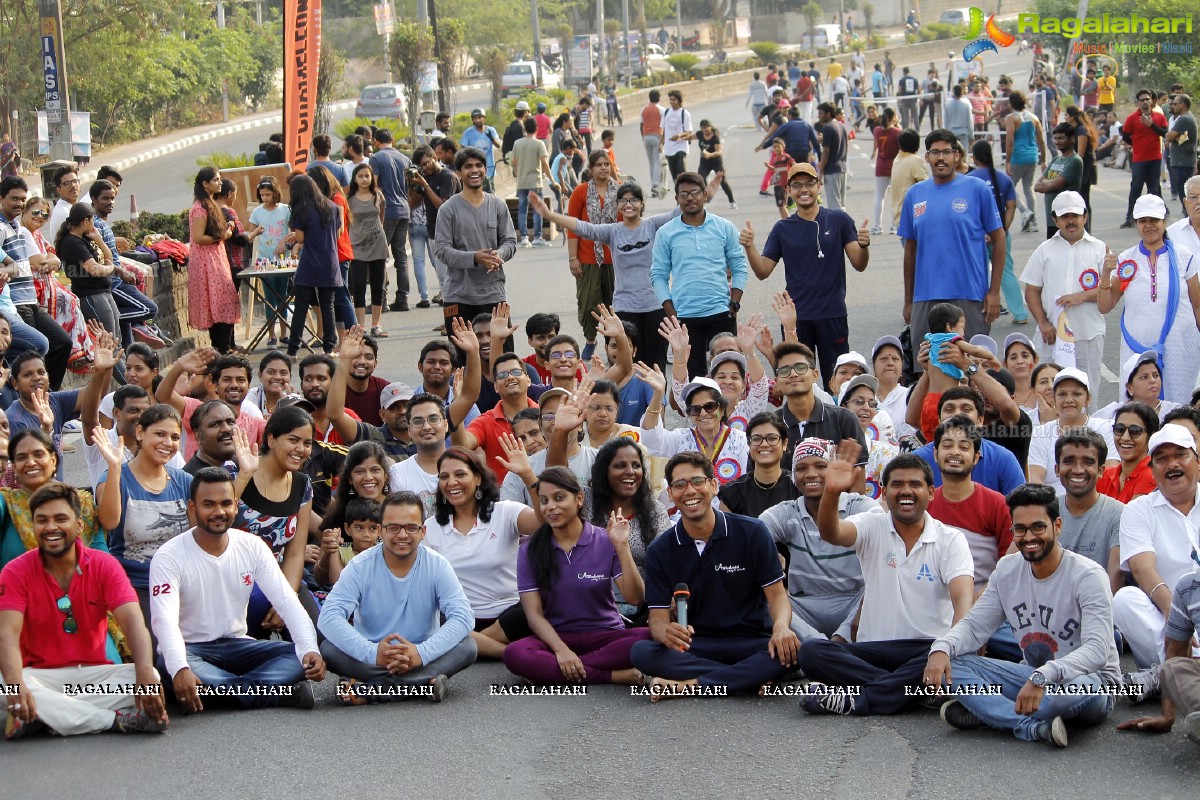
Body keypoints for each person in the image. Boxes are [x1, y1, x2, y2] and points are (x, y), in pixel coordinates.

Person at [923, 482, 1120, 747]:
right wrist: (941, 649)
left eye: (1038, 527)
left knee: (1063, 696)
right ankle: (1030, 726)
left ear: (1057, 526)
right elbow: (973, 627)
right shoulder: (1007, 570)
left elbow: (1097, 652)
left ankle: (989, 713)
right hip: (1031, 677)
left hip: (1090, 683)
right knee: (953, 665)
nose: (1029, 537)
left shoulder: (1089, 576)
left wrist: (1044, 675)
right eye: (1020, 528)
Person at [797, 448, 974, 716]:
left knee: (955, 661)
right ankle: (911, 692)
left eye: (915, 484)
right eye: (897, 484)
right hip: (872, 648)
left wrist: (947, 649)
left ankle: (858, 699)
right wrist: (831, 492)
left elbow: (963, 600)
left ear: (931, 492)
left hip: (925, 649)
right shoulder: (871, 525)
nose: (906, 491)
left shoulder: (951, 539)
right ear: (883, 490)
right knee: (811, 652)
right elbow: (832, 532)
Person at [149, 468, 325, 712]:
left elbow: (287, 601)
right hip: (192, 650)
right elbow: (164, 621)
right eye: (208, 504)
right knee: (169, 664)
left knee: (299, 657)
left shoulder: (251, 545)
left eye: (225, 504)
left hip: (240, 646)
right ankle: (275, 695)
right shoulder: (169, 556)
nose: (219, 512)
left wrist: (310, 649)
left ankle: (217, 694)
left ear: (235, 506)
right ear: (192, 507)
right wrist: (180, 668)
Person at [0, 482, 167, 738]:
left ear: (78, 525)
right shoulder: (15, 571)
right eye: (41, 520)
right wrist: (16, 684)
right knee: (4, 686)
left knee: (147, 675)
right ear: (33, 525)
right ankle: (113, 720)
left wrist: (144, 670)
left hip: (94, 677)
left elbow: (133, 622)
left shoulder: (103, 565)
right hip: (37, 677)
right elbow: (7, 635)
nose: (51, 528)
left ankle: (44, 714)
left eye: (60, 519)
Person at [628, 452, 797, 697]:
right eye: (679, 485)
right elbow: (657, 618)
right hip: (697, 644)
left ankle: (690, 685)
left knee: (794, 650)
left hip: (750, 640)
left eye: (698, 482)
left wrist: (781, 627)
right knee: (641, 652)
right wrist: (665, 633)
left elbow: (777, 597)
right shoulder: (660, 550)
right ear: (672, 494)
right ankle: (746, 678)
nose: (689, 491)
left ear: (714, 485)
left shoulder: (752, 532)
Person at [318, 491, 476, 703]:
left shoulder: (437, 565)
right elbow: (328, 617)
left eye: (411, 527)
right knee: (329, 648)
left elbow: (463, 617)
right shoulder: (359, 566)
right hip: (373, 656)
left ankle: (373, 690)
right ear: (381, 531)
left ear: (423, 531)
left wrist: (420, 653)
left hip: (422, 656)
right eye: (393, 527)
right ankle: (419, 685)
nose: (402, 535)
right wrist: (373, 653)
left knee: (468, 647)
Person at [502, 467, 650, 685]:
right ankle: (610, 675)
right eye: (544, 501)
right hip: (557, 637)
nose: (550, 507)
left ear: (579, 499)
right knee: (515, 653)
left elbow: (635, 598)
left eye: (559, 498)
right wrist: (561, 651)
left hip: (607, 635)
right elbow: (533, 615)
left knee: (646, 638)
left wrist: (622, 546)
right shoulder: (530, 549)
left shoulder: (605, 539)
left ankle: (555, 671)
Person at [740, 163, 870, 383]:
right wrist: (750, 246)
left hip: (832, 314)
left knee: (836, 381)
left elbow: (859, 263)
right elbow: (763, 271)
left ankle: (836, 417)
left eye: (809, 184)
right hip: (796, 320)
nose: (804, 190)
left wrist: (864, 245)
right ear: (789, 190)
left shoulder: (839, 220)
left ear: (819, 186)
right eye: (797, 185)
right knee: (798, 380)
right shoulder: (782, 228)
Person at [422, 447, 541, 660]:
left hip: (511, 615)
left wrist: (527, 475)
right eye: (444, 477)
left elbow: (543, 523)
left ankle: (470, 644)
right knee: (424, 616)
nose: (451, 482)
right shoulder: (430, 528)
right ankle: (509, 653)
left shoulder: (504, 511)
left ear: (477, 478)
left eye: (460, 474)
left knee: (543, 599)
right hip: (458, 617)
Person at [760, 437, 878, 641]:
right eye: (801, 468)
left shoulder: (859, 506)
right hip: (804, 607)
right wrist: (767, 556)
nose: (811, 474)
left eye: (821, 466)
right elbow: (750, 537)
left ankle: (833, 646)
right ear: (794, 477)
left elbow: (888, 536)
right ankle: (821, 647)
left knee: (879, 592)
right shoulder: (788, 512)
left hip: (853, 603)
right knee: (762, 600)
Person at [899, 129, 1006, 348]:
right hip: (925, 296)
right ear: (927, 157)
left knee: (972, 370)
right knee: (928, 370)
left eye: (946, 152)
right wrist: (908, 300)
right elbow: (910, 250)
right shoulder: (914, 194)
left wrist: (994, 292)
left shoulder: (977, 189)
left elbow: (999, 238)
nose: (941, 158)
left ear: (957, 156)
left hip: (969, 294)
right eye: (935, 152)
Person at [1114, 424, 1200, 680]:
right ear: (1152, 470)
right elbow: (1142, 569)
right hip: (1166, 616)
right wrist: (1178, 621)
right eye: (1161, 459)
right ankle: (1183, 671)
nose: (1171, 464)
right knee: (1125, 599)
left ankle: (1173, 677)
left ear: (1197, 461)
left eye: (1180, 455)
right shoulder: (1138, 510)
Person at [651, 171, 749, 380]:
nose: (689, 198)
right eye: (683, 194)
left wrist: (734, 303)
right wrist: (671, 311)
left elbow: (739, 266)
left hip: (721, 313)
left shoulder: (724, 227)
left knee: (727, 373)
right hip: (685, 317)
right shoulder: (666, 233)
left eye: (694, 192)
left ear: (705, 194)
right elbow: (658, 275)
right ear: (677, 199)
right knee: (695, 377)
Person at [1106, 194, 1200, 404]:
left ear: (1164, 221)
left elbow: (1197, 305)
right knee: (1140, 410)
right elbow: (1106, 305)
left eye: (1154, 220)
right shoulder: (1126, 260)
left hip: (1180, 348)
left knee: (1180, 407)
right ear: (1136, 224)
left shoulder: (1184, 257)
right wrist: (1105, 273)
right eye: (1142, 221)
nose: (1148, 226)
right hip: (1137, 346)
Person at [1020, 191, 1110, 398]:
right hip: (1051, 337)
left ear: (1085, 217)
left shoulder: (1099, 249)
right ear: (1055, 219)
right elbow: (1032, 291)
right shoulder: (1044, 250)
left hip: (1088, 334)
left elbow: (1111, 290)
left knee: (1087, 394)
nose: (1071, 221)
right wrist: (1043, 323)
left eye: (1075, 216)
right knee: (1047, 394)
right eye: (1064, 217)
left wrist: (1082, 296)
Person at [433, 148, 518, 337]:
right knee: (462, 358)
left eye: (479, 165)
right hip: (458, 295)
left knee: (500, 356)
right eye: (468, 166)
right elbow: (442, 250)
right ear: (458, 173)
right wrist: (475, 258)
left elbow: (510, 242)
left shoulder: (498, 206)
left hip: (493, 292)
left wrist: (499, 254)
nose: (474, 170)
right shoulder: (448, 210)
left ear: (485, 170)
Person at [926, 416, 1013, 596]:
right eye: (947, 445)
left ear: (976, 457)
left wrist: (977, 602)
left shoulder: (997, 504)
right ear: (935, 454)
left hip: (987, 604)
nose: (955, 452)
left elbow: (1010, 563)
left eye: (964, 447)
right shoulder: (925, 503)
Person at [0, 429, 109, 569]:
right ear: (14, 467)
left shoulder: (81, 502)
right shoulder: (6, 503)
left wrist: (114, 466)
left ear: (53, 460)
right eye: (21, 457)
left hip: (78, 589)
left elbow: (101, 558)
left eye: (38, 454)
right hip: (16, 588)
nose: (31, 462)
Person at [0, 177, 71, 389]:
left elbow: (44, 262)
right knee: (35, 348)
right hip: (15, 303)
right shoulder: (2, 228)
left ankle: (49, 395)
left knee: (62, 342)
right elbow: (38, 264)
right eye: (14, 199)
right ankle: (22, 394)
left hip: (29, 299)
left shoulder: (21, 230)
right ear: (1, 199)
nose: (19, 204)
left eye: (22, 199)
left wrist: (52, 261)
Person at [636, 369, 748, 489]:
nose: (703, 413)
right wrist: (658, 394)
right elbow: (652, 440)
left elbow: (745, 484)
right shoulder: (681, 438)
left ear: (721, 409)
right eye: (695, 409)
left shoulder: (740, 440)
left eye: (709, 406)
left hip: (729, 507)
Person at [772, 342, 867, 470]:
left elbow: (859, 477)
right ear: (777, 381)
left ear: (815, 375)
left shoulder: (844, 419)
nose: (793, 374)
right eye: (784, 370)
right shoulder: (770, 426)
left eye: (800, 368)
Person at [1052, 428, 1125, 593]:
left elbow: (1115, 577)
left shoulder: (1119, 514)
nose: (1078, 469)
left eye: (1088, 462)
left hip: (1098, 606)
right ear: (1057, 469)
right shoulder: (1044, 511)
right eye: (1069, 461)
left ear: (1101, 471)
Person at [969, 140, 1028, 324]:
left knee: (978, 274)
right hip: (1001, 235)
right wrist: (1001, 230)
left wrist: (982, 232)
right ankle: (1020, 314)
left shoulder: (970, 179)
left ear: (975, 157)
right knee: (1006, 272)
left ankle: (980, 314)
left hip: (976, 236)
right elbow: (1011, 207)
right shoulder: (1004, 178)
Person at [567, 150, 618, 360]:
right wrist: (573, 258)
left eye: (607, 164)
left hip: (615, 259)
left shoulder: (622, 191)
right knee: (588, 304)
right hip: (587, 259)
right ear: (591, 169)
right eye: (599, 165)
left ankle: (612, 343)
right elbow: (572, 227)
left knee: (614, 305)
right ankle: (590, 339)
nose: (603, 168)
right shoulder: (580, 192)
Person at [285, 173, 343, 356]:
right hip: (330, 261)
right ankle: (330, 347)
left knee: (301, 306)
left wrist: (296, 236)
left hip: (310, 261)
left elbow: (301, 238)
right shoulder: (332, 207)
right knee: (328, 306)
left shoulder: (301, 210)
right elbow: (339, 232)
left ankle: (293, 348)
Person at [5, 350, 85, 480]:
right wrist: (46, 430)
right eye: (27, 374)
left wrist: (101, 371)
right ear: (15, 383)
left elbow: (92, 396)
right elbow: (30, 469)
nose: (37, 377)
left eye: (41, 372)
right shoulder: (14, 420)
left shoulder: (53, 400)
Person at [187, 167, 241, 354]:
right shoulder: (200, 208)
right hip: (206, 261)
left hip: (215, 258)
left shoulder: (209, 203)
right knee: (217, 302)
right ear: (205, 184)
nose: (220, 182)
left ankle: (223, 347)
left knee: (223, 301)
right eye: (216, 180)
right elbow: (199, 237)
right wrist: (224, 235)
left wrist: (222, 232)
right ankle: (221, 348)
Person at [56, 201, 120, 344]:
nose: (94, 224)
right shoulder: (72, 243)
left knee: (116, 341)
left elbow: (108, 256)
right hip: (92, 296)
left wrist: (99, 239)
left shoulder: (85, 238)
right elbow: (95, 269)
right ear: (85, 221)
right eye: (92, 219)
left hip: (104, 291)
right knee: (107, 343)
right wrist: (110, 268)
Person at [717, 412, 798, 517]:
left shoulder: (797, 486)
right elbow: (727, 532)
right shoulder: (732, 492)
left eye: (772, 438)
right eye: (756, 439)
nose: (764, 444)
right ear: (749, 444)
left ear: (784, 443)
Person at [410, 144, 460, 308]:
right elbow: (414, 203)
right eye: (421, 166)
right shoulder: (425, 178)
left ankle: (454, 320)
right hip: (433, 231)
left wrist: (425, 186)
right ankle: (449, 319)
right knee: (442, 279)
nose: (425, 167)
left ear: (435, 157)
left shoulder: (447, 177)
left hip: (451, 233)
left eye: (426, 163)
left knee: (451, 279)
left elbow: (443, 206)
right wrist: (413, 185)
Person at [369, 128, 413, 311]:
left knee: (379, 256)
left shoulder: (376, 158)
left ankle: (381, 300)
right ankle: (402, 298)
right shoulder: (405, 159)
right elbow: (410, 184)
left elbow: (373, 184)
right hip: (404, 209)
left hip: (385, 210)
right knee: (400, 255)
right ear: (392, 140)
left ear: (376, 141)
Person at [346, 164, 389, 336]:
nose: (364, 179)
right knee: (358, 285)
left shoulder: (378, 195)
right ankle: (361, 326)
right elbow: (346, 222)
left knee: (378, 285)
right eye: (361, 176)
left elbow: (382, 216)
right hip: (357, 245)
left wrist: (378, 232)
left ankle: (376, 325)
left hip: (377, 243)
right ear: (355, 178)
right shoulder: (349, 199)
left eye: (367, 176)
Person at [248, 176, 291, 345]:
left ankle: (284, 333)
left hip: (282, 259)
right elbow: (251, 234)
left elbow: (293, 231)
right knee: (269, 298)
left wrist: (284, 242)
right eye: (262, 195)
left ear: (275, 193)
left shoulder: (286, 209)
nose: (265, 198)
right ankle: (271, 334)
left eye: (268, 194)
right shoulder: (257, 212)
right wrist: (256, 231)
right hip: (264, 259)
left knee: (283, 296)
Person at [1120, 89, 1169, 229]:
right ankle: (1130, 216)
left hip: (1155, 157)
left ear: (1152, 100)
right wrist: (1136, 143)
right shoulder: (1132, 118)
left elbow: (1165, 133)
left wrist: (1151, 125)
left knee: (1153, 188)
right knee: (1136, 187)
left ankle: (1157, 217)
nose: (1145, 102)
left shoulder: (1159, 117)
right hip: (1139, 158)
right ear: (1138, 103)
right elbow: (1125, 136)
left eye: (1148, 99)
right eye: (1142, 100)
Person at [1097, 400, 1159, 504]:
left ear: (1151, 436)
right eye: (1119, 429)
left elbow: (1130, 517)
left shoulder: (1152, 474)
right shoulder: (1105, 475)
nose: (1125, 437)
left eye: (1135, 431)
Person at [1095, 351, 1179, 421]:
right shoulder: (1111, 414)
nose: (1153, 380)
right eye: (1144, 377)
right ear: (1130, 388)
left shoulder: (1174, 412)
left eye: (1156, 375)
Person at [512, 118, 556, 248]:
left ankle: (524, 237)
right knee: (537, 210)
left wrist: (518, 175)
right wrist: (552, 180)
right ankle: (537, 237)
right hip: (535, 182)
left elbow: (514, 163)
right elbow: (544, 164)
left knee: (522, 209)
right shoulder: (539, 144)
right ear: (536, 128)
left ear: (524, 128)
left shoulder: (517, 144)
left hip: (521, 182)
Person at [1034, 123, 1084, 236]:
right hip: (1052, 218)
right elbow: (1037, 186)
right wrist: (1048, 183)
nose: (1057, 142)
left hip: (1066, 219)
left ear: (1072, 139)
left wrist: (1046, 182)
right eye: (1055, 138)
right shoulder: (1056, 159)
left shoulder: (1075, 161)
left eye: (1061, 138)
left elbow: (1054, 185)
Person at [889, 128, 929, 231]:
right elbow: (926, 186)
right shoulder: (915, 161)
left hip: (899, 215)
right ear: (917, 145)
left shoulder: (897, 159)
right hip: (913, 216)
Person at [870, 108, 901, 235]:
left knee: (879, 197)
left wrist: (873, 153)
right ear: (893, 117)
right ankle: (894, 225)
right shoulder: (898, 132)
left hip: (881, 166)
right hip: (894, 166)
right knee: (895, 197)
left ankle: (877, 225)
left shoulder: (877, 130)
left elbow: (876, 145)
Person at [1166, 95, 1196, 217]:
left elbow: (1169, 136)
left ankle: (1190, 219)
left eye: (1176, 103)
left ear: (1183, 105)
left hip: (1183, 162)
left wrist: (1173, 137)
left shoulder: (1184, 119)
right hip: (1182, 161)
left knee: (1185, 194)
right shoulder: (1185, 118)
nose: (1174, 106)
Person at [815, 103, 849, 211]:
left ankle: (839, 228)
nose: (819, 116)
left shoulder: (827, 128)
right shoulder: (841, 126)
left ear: (828, 114)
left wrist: (821, 171)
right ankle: (845, 227)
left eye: (821, 113)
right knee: (841, 204)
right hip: (842, 168)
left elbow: (826, 151)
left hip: (832, 169)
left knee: (834, 205)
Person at [460, 109, 502, 193]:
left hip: (489, 167)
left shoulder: (491, 130)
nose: (478, 120)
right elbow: (462, 149)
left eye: (479, 117)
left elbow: (498, 145)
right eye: (475, 118)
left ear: (484, 118)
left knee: (491, 192)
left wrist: (492, 138)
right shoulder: (468, 133)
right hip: (474, 168)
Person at [695, 120, 734, 209]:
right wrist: (680, 136)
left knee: (723, 182)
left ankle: (732, 201)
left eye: (705, 128)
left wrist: (709, 155)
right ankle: (703, 202)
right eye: (702, 128)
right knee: (700, 180)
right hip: (704, 163)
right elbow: (690, 136)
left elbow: (719, 152)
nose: (704, 130)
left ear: (710, 127)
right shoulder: (700, 134)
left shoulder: (715, 137)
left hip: (716, 163)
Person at [661, 90, 693, 181]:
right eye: (670, 100)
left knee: (682, 172)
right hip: (669, 148)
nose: (671, 102)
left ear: (679, 101)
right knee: (675, 176)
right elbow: (663, 130)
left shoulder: (684, 113)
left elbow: (688, 132)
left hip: (681, 147)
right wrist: (660, 144)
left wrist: (679, 135)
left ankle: (686, 190)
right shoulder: (666, 112)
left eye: (674, 100)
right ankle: (680, 193)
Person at [640, 90, 665, 198]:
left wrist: (643, 137)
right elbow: (664, 126)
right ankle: (655, 185)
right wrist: (663, 141)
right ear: (658, 98)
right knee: (657, 161)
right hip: (656, 135)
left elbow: (641, 125)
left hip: (646, 136)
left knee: (651, 162)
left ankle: (653, 183)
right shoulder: (661, 110)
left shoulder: (644, 109)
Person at [944, 85, 974, 151]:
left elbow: (946, 121)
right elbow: (970, 121)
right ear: (962, 92)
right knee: (963, 153)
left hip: (952, 132)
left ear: (953, 92)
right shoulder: (966, 105)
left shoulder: (948, 105)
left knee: (953, 153)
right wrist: (971, 135)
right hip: (964, 132)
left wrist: (945, 134)